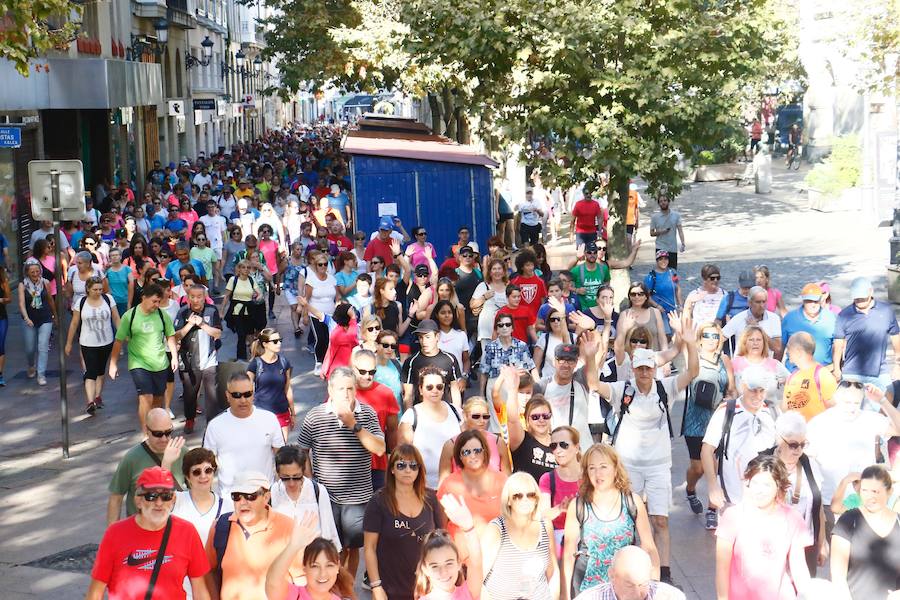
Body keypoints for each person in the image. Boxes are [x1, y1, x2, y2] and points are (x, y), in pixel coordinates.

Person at [592, 315, 699, 587]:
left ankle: (663, 575)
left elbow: (692, 373)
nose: (644, 373)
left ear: (654, 368)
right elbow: (595, 385)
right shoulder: (622, 390)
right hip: (628, 465)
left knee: (660, 520)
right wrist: (590, 357)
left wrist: (690, 345)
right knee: (628, 522)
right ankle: (627, 572)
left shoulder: (666, 389)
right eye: (639, 368)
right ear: (634, 368)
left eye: (648, 368)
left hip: (659, 466)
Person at [298, 367, 386, 576]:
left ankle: (347, 591)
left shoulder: (367, 413)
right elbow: (303, 450)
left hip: (358, 498)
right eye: (340, 389)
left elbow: (380, 449)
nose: (346, 394)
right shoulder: (315, 416)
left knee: (351, 548)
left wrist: (353, 425)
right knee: (328, 549)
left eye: (350, 389)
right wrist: (310, 481)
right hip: (326, 498)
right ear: (330, 389)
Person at [88, 467, 211, 600]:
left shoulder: (187, 532)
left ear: (173, 499)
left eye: (166, 496)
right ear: (138, 501)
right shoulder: (114, 533)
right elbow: (95, 592)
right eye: (151, 496)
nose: (159, 503)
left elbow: (199, 589)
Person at [563, 443, 659, 595]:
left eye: (603, 467)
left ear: (615, 469)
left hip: (625, 588)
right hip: (588, 588)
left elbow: (649, 547)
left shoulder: (632, 502)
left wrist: (653, 588)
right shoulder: (578, 505)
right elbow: (569, 553)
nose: (597, 473)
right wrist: (565, 595)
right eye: (592, 468)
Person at [714, 455, 812, 600]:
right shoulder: (733, 516)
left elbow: (799, 567)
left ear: (778, 486)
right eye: (755, 483)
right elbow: (722, 568)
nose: (759, 490)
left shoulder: (793, 518)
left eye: (766, 485)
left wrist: (807, 595)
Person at [806, 382, 900, 533]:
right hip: (830, 501)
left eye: (856, 403)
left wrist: (882, 401)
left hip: (865, 501)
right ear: (836, 398)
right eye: (847, 402)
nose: (851, 407)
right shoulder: (818, 423)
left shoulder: (870, 419)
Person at [363, 445, 447, 600]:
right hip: (389, 590)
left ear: (419, 469)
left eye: (413, 465)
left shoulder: (430, 498)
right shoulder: (378, 501)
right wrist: (376, 586)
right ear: (392, 469)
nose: (408, 470)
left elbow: (442, 540)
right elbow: (369, 548)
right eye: (401, 465)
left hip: (426, 589)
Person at [204, 471, 302, 600]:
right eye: (237, 496)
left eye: (250, 496)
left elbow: (301, 579)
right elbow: (207, 570)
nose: (243, 502)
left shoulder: (288, 527)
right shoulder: (220, 527)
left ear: (266, 497)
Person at [701, 371, 778, 529]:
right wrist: (713, 485)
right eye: (753, 390)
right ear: (743, 387)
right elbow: (707, 450)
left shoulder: (772, 412)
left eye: (761, 390)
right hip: (733, 498)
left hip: (766, 499)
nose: (758, 395)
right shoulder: (726, 411)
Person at [758, 412, 826, 576]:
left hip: (804, 544)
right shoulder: (761, 464)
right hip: (769, 545)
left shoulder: (809, 464)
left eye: (803, 444)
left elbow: (819, 507)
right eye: (793, 445)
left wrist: (822, 542)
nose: (799, 450)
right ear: (779, 440)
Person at [108, 282, 178, 430]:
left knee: (158, 399)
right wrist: (113, 364)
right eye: (154, 301)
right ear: (143, 298)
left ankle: (154, 427)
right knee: (146, 397)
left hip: (160, 362)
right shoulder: (130, 316)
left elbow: (170, 336)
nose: (156, 305)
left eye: (159, 302)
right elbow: (118, 341)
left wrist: (174, 356)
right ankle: (146, 432)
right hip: (138, 363)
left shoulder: (161, 315)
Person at [202, 373, 285, 495]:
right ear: (227, 396)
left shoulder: (269, 419)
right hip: (230, 500)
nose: (243, 400)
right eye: (236, 395)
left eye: (247, 394)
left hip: (264, 497)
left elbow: (282, 457)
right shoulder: (215, 426)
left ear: (253, 394)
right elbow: (207, 465)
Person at [682, 322, 734, 516]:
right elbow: (681, 346)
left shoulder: (725, 359)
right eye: (707, 336)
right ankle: (690, 490)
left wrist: (730, 399)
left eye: (715, 336)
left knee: (716, 465)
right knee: (698, 468)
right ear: (700, 339)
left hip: (718, 418)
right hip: (695, 420)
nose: (711, 340)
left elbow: (731, 387)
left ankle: (713, 509)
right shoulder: (693, 356)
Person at [435, 429, 507, 567]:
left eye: (477, 450)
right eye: (466, 452)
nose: (473, 456)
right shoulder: (449, 484)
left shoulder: (502, 481)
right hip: (462, 563)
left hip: (498, 559)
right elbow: (441, 526)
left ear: (485, 452)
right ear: (459, 457)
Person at [481, 472, 557, 599]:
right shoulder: (496, 529)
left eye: (531, 495)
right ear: (508, 500)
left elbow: (553, 572)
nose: (525, 500)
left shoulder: (545, 525)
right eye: (518, 496)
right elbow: (478, 580)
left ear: (537, 498)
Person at [830, 464, 900, 600]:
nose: (869, 497)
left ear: (889, 491)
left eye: (875, 491)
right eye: (865, 491)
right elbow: (838, 577)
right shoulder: (848, 521)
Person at [107, 408, 187, 524]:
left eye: (168, 432)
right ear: (147, 430)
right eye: (158, 434)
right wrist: (112, 535)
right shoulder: (132, 458)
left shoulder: (182, 452)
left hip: (173, 529)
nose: (164, 439)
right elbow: (116, 498)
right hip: (139, 531)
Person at [400, 366, 464, 489]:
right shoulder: (411, 416)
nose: (435, 390)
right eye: (429, 387)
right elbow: (403, 455)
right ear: (420, 389)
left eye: (439, 387)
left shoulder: (455, 412)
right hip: (422, 487)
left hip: (454, 485)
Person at [832, 276, 900, 390]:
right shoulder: (844, 315)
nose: (859, 300)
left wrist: (897, 365)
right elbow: (838, 345)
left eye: (862, 297)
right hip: (852, 372)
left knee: (888, 399)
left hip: (880, 372)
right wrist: (836, 368)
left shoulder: (886, 311)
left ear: (871, 291)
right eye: (856, 298)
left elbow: (896, 339)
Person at [65, 276, 120, 415]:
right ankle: (90, 402)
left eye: (100, 289)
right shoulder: (81, 302)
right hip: (87, 342)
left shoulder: (108, 299)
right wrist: (69, 343)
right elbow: (74, 323)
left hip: (106, 341)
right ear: (88, 289)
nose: (98, 292)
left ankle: (97, 396)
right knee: (91, 371)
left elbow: (116, 317)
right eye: (95, 289)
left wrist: (121, 336)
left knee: (100, 371)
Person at [265, 518, 357, 600]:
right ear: (304, 568)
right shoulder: (293, 595)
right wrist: (293, 546)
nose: (323, 573)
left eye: (329, 565)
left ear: (337, 567)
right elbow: (273, 582)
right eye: (315, 566)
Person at [270, 446, 341, 549]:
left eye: (296, 477)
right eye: (285, 478)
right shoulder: (272, 493)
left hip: (312, 557)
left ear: (303, 471)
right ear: (278, 473)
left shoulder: (318, 491)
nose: (291, 483)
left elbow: (328, 530)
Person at [174, 285, 222, 433]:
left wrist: (202, 324)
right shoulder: (182, 312)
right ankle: (189, 419)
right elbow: (176, 335)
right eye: (192, 297)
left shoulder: (211, 310)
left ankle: (212, 424)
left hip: (209, 359)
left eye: (199, 296)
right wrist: (190, 324)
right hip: (189, 360)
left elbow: (218, 333)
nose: (196, 300)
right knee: (190, 394)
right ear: (188, 297)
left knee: (212, 394)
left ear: (204, 297)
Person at [353, 349, 400, 490]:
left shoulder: (386, 393)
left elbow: (392, 431)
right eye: (362, 372)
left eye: (372, 372)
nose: (367, 376)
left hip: (377, 464)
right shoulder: (343, 391)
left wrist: (394, 459)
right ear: (353, 369)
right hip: (349, 464)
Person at [438, 396, 511, 484]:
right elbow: (443, 482)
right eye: (476, 416)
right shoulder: (451, 445)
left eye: (485, 417)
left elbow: (507, 480)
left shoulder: (498, 443)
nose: (482, 421)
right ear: (465, 416)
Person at [538, 425, 582, 566]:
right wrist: (560, 509)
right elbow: (542, 515)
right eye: (553, 446)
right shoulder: (548, 478)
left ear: (576, 447)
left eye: (564, 445)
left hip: (587, 538)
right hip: (559, 542)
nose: (558, 450)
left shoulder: (590, 475)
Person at [572, 545, 686, 600]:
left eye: (643, 584)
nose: (637, 594)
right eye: (629, 585)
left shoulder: (671, 596)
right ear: (612, 575)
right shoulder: (590, 598)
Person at [479, 313, 539, 416]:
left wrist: (538, 387)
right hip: (496, 385)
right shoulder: (490, 348)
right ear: (496, 329)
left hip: (518, 386)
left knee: (518, 419)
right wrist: (481, 394)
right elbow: (484, 372)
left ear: (512, 328)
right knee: (498, 422)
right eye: (500, 325)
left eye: (507, 324)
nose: (504, 328)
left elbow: (531, 367)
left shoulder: (521, 345)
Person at [401, 319, 464, 409]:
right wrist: (409, 417)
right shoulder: (411, 362)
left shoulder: (449, 359)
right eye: (420, 337)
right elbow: (408, 395)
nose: (423, 341)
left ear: (437, 336)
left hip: (444, 410)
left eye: (427, 337)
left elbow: (454, 389)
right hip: (421, 413)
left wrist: (458, 413)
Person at [781, 332, 838, 421]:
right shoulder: (792, 377)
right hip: (797, 433)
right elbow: (785, 409)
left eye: (788, 348)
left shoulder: (822, 375)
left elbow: (835, 409)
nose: (787, 352)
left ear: (798, 352)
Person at [568, 240, 640, 309]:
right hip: (584, 308)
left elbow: (626, 263)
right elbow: (565, 275)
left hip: (601, 307)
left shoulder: (605, 266)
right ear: (586, 253)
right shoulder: (580, 267)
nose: (601, 251)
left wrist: (634, 250)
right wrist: (577, 290)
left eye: (604, 248)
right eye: (599, 248)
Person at [781, 283, 835, 371]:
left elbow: (838, 345)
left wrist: (836, 368)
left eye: (816, 301)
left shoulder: (831, 318)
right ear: (803, 301)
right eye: (809, 301)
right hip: (795, 372)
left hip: (823, 372)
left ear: (821, 300)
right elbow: (781, 346)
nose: (813, 304)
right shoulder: (790, 319)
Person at [731, 326, 789, 408]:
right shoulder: (734, 364)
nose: (755, 343)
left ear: (764, 343)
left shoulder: (775, 364)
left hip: (769, 413)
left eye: (758, 340)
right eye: (751, 340)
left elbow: (793, 383)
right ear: (744, 342)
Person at [722, 286, 783, 359]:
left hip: (765, 365)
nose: (761, 306)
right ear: (749, 303)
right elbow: (721, 337)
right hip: (742, 365)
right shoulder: (739, 318)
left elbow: (777, 348)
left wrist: (758, 328)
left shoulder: (774, 318)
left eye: (764, 302)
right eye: (758, 302)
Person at [221, 260, 264, 360]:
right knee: (241, 335)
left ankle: (254, 355)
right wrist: (221, 312)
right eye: (243, 267)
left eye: (248, 267)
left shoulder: (251, 280)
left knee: (250, 334)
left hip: (249, 311)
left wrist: (258, 296)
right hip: (237, 311)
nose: (246, 270)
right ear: (239, 269)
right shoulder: (233, 280)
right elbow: (226, 296)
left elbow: (259, 292)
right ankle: (241, 358)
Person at [305, 250, 339, 375]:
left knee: (330, 339)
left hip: (330, 314)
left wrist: (339, 309)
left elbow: (337, 297)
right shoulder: (311, 280)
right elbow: (306, 299)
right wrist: (304, 314)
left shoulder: (332, 279)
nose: (323, 267)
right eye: (320, 264)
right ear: (315, 265)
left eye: (325, 264)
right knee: (320, 339)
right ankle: (319, 362)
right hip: (315, 313)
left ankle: (328, 362)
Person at [470, 257, 509, 353]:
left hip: (505, 330)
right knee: (488, 360)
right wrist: (484, 297)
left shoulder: (509, 287)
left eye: (499, 269)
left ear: (504, 272)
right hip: (487, 331)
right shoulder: (483, 286)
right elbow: (472, 304)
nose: (497, 272)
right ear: (490, 272)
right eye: (494, 269)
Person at [321, 303, 359, 380]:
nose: (356, 316)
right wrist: (353, 319)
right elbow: (352, 338)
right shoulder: (337, 333)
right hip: (339, 373)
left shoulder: (347, 328)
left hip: (348, 370)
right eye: (353, 314)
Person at [648, 193, 684, 269]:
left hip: (672, 247)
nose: (663, 202)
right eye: (661, 201)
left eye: (665, 200)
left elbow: (680, 230)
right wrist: (661, 232)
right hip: (660, 246)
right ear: (658, 204)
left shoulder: (676, 215)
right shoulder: (655, 217)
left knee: (673, 271)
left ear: (668, 202)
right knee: (662, 270)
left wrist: (683, 243)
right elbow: (651, 233)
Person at [644, 250, 681, 319]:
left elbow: (677, 288)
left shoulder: (673, 272)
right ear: (657, 261)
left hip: (673, 310)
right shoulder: (651, 276)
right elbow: (646, 295)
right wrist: (657, 306)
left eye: (666, 259)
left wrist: (680, 305)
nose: (663, 261)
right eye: (660, 259)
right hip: (659, 311)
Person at [375, 329, 404, 410]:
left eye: (393, 346)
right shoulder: (368, 367)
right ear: (376, 345)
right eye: (385, 345)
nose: (390, 349)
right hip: (376, 418)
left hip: (398, 417)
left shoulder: (398, 365)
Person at [0, 266, 9, 386]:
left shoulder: (3, 281)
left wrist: (1, 300)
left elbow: (9, 299)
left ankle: (0, 374)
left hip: (1, 317)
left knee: (0, 346)